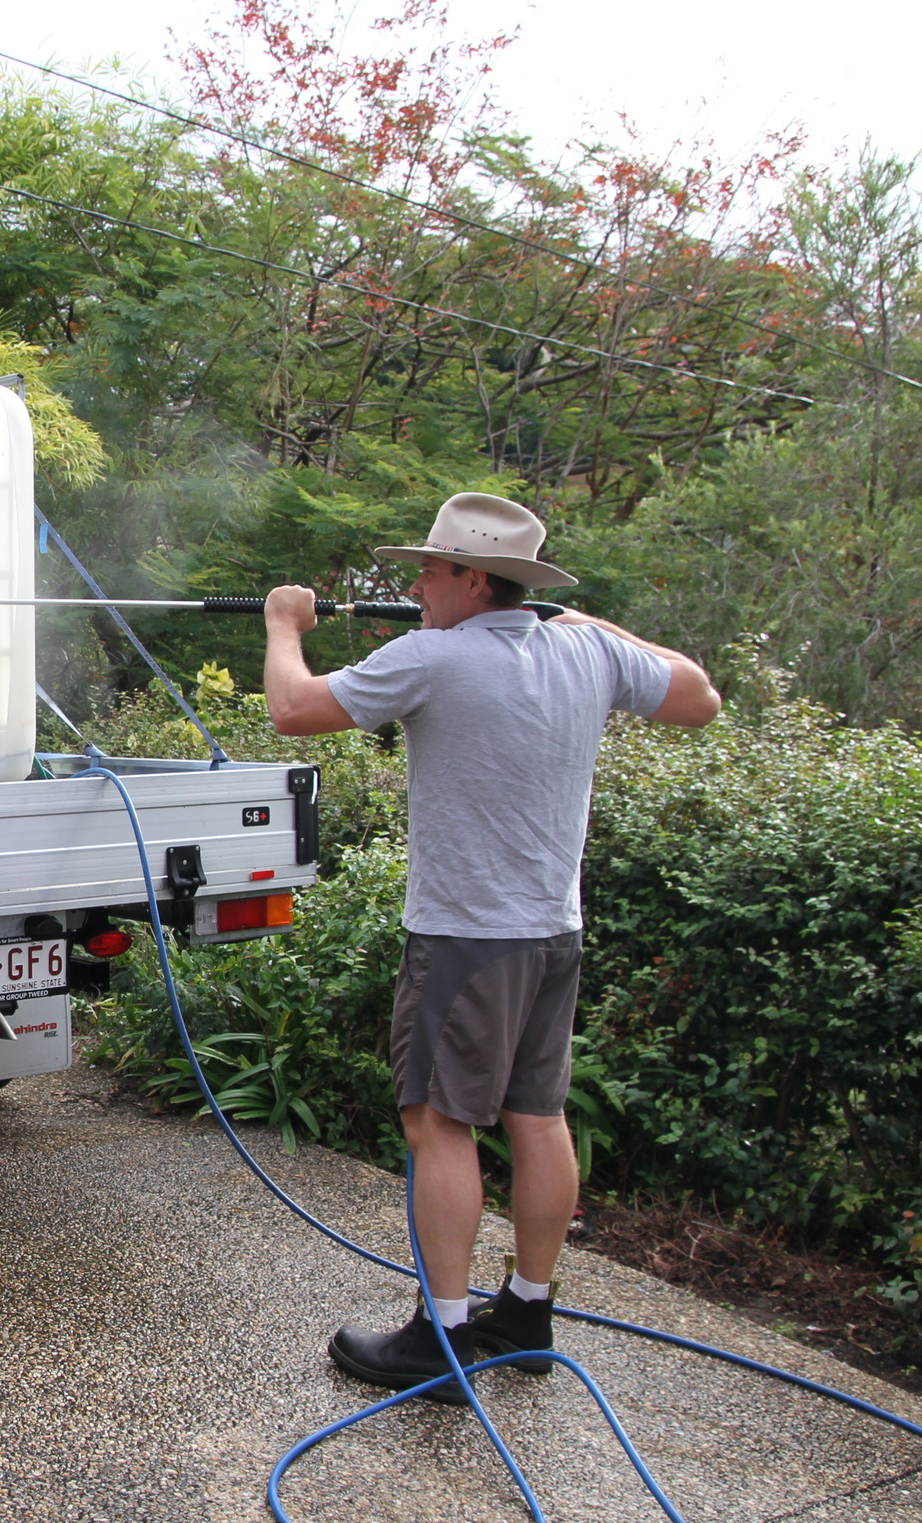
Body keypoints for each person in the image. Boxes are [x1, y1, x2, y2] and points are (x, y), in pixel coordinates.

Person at [261, 491, 720, 1401]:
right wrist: (594, 623)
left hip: (465, 940)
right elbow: (699, 695)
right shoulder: (586, 651)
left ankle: (440, 1335)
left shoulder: (435, 656)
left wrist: (284, 622)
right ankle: (526, 1312)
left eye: (431, 570)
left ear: (475, 580)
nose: (417, 584)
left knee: (439, 1123)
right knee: (537, 1117)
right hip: (553, 933)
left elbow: (294, 707)